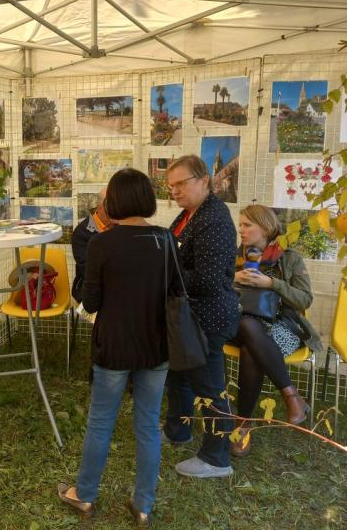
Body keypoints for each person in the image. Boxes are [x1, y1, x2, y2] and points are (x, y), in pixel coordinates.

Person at [57, 168, 179, 527]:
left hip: (113, 347)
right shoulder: (165, 240)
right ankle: (143, 505)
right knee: (147, 425)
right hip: (156, 347)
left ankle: (85, 495)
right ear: (146, 198)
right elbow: (175, 292)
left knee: (100, 423)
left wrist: (84, 282)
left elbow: (90, 302)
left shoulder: (102, 243)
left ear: (114, 201)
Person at [161, 155, 239, 478]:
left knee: (209, 386)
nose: (175, 191)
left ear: (204, 180)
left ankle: (216, 458)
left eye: (182, 183)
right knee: (180, 375)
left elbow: (206, 279)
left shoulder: (214, 219)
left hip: (208, 318)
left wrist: (164, 275)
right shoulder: (189, 215)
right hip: (189, 316)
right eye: (171, 186)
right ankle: (178, 430)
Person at [229, 204, 314, 457]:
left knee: (251, 346)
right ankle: (292, 396)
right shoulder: (235, 255)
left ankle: (243, 425)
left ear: (265, 228)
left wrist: (273, 283)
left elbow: (305, 300)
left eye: (247, 225)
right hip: (238, 322)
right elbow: (216, 287)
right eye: (240, 224)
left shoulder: (289, 258)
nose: (241, 230)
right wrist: (233, 278)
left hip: (281, 326)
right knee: (248, 327)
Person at [70, 188, 111, 303]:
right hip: (92, 288)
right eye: (110, 208)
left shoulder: (120, 225)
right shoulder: (81, 233)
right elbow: (87, 270)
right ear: (99, 208)